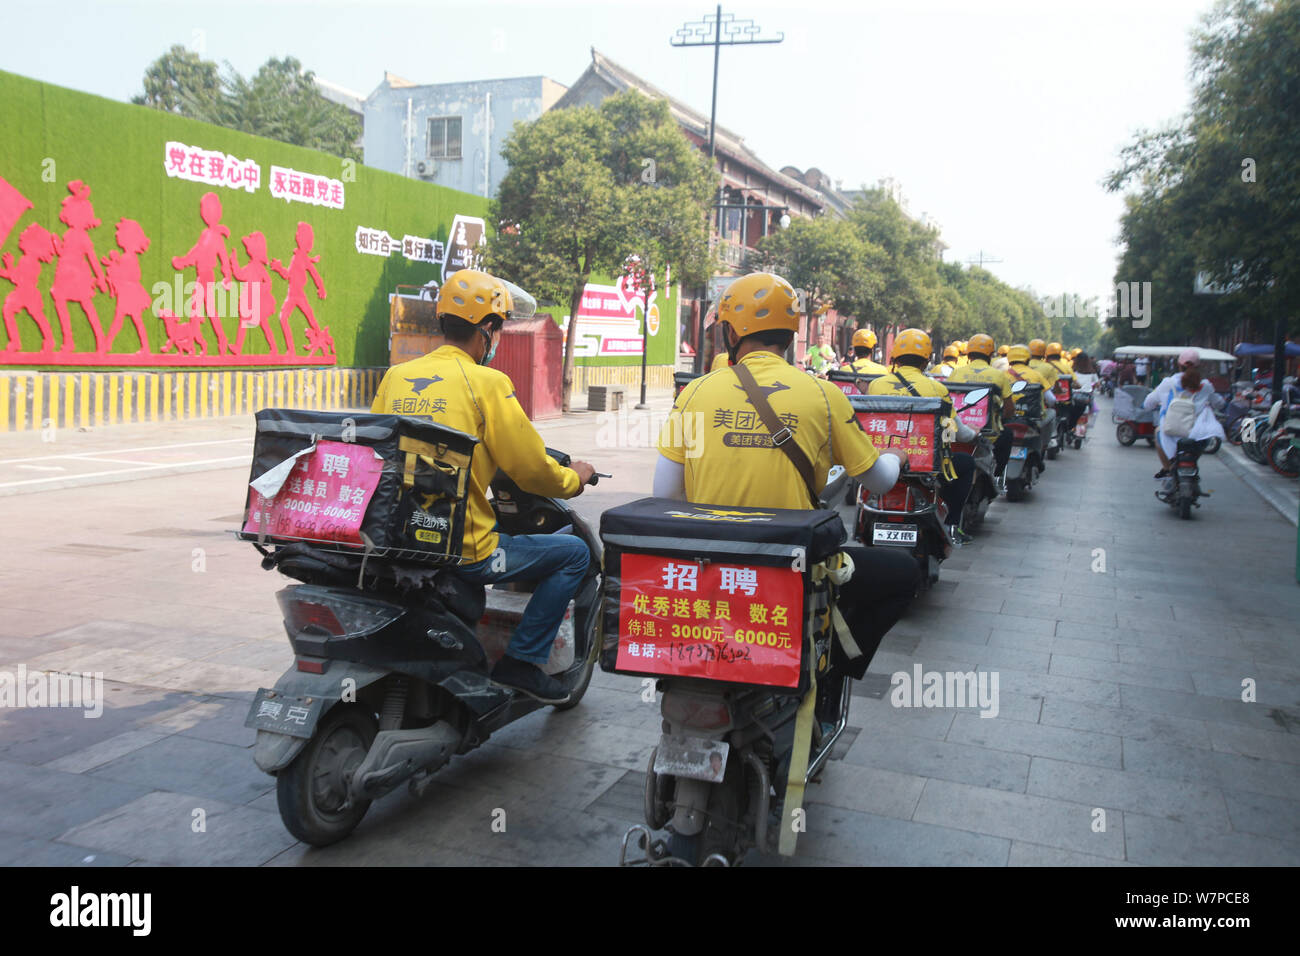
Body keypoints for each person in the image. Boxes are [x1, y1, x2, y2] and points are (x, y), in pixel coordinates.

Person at [655, 272, 920, 720]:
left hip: (709, 568)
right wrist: (894, 457)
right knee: (903, 572)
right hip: (791, 568)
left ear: (731, 332)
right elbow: (877, 482)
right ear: (792, 334)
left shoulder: (696, 392)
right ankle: (832, 666)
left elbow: (664, 493)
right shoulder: (823, 394)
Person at [371, 269, 597, 705]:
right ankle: (523, 662)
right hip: (464, 550)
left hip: (397, 537)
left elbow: (379, 451)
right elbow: (531, 469)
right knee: (574, 554)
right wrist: (575, 479)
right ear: (488, 330)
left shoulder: (397, 377)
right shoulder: (488, 384)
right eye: (498, 328)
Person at [867, 328, 979, 544]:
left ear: (895, 357)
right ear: (926, 360)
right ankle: (952, 523)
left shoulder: (876, 384)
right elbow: (954, 432)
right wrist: (972, 434)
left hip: (883, 458)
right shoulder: (936, 388)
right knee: (965, 463)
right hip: (925, 465)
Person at [1143, 348, 1227, 478]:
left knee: (1158, 432)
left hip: (1170, 432)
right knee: (1201, 441)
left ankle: (1168, 469)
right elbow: (1220, 404)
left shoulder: (1168, 383)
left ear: (1179, 365)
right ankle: (1191, 464)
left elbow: (1147, 404)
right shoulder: (1205, 386)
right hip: (1197, 435)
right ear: (1199, 366)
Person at [946, 333, 1016, 478]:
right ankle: (997, 475)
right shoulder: (999, 375)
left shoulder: (956, 373)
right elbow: (1009, 409)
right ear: (991, 354)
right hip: (988, 434)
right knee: (1008, 435)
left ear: (969, 353)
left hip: (956, 431)